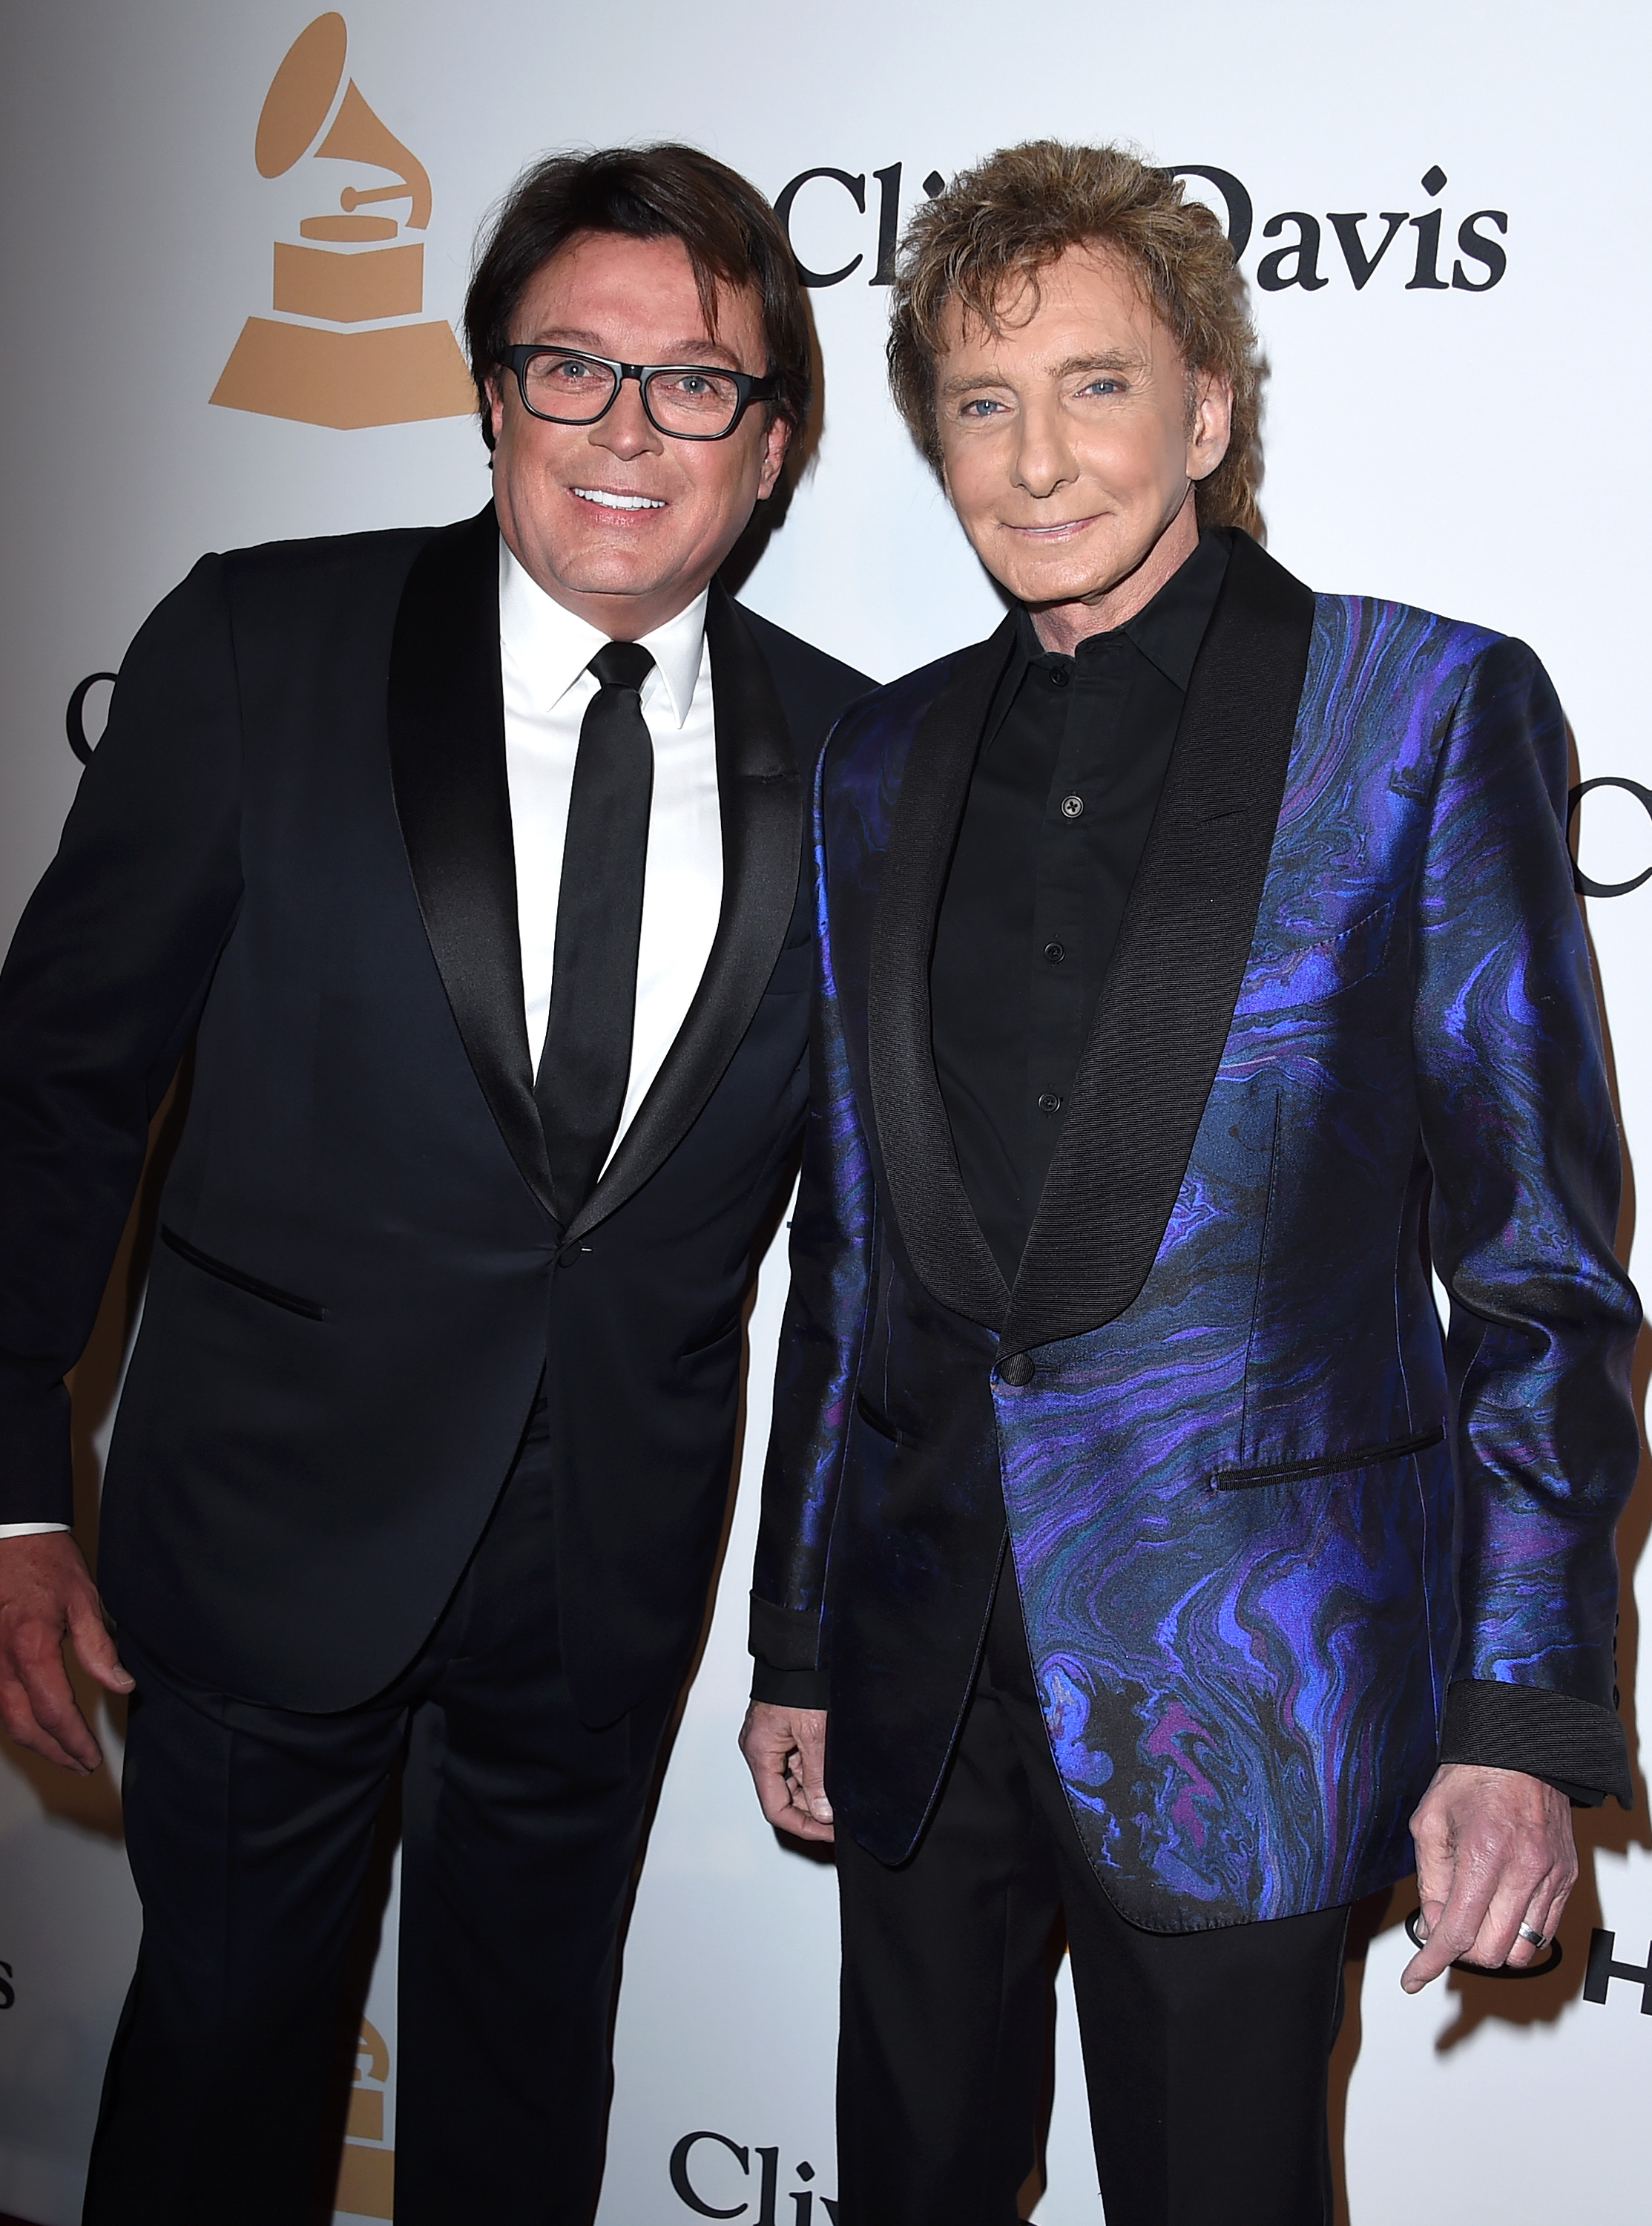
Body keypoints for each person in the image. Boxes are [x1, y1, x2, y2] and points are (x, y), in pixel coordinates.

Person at [739, 140, 1639, 2226]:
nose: (1035, 458)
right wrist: (796, 1626)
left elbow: (1534, 1276)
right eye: (980, 398)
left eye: (1097, 384)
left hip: (1247, 1677)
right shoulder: (882, 761)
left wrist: (1517, 1712)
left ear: (1210, 410)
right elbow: (854, 1237)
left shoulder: (1413, 713)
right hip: (917, 1657)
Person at [0, 143, 869, 2225]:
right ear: (487, 396)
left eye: (694, 387)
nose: (624, 432)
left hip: (601, 1581)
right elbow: (54, 1087)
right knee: (220, 2076)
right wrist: (17, 1487)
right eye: (569, 368)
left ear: (771, 448)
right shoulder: (255, 646)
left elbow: (864, 1254)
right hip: (259, 1531)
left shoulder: (862, 766)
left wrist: (812, 1620)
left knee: (519, 2085)